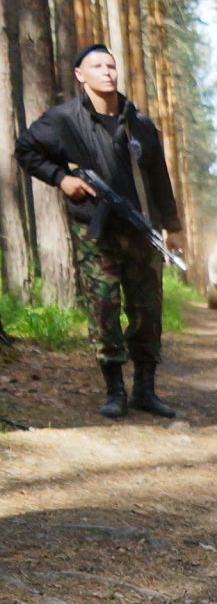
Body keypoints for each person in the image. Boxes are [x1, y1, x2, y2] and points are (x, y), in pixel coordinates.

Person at [14, 44, 184, 420]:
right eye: (97, 66)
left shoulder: (138, 122)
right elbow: (26, 149)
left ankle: (145, 389)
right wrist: (62, 179)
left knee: (147, 310)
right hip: (97, 231)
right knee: (104, 309)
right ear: (80, 75)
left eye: (111, 65)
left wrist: (172, 227)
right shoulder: (63, 120)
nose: (107, 71)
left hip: (143, 232)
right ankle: (114, 390)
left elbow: (159, 177)